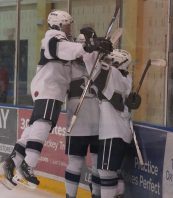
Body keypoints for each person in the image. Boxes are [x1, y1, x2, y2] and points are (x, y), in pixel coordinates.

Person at [0, 10, 113, 190]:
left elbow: (78, 55)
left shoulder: (62, 41)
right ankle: (28, 165)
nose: (69, 28)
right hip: (49, 87)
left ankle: (9, 165)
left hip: (48, 89)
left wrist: (94, 46)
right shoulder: (52, 37)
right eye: (67, 24)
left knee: (34, 127)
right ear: (58, 24)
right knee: (44, 121)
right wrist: (90, 45)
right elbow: (65, 49)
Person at [83, 49, 133, 197]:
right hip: (112, 132)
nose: (108, 62)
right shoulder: (122, 77)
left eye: (112, 60)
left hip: (114, 132)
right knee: (104, 171)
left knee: (106, 172)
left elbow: (96, 70)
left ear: (120, 63)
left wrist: (93, 50)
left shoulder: (116, 75)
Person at [65, 28, 101, 198]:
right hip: (77, 124)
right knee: (75, 163)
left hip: (99, 124)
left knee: (97, 164)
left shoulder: (98, 63)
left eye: (84, 45)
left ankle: (97, 195)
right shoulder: (67, 67)